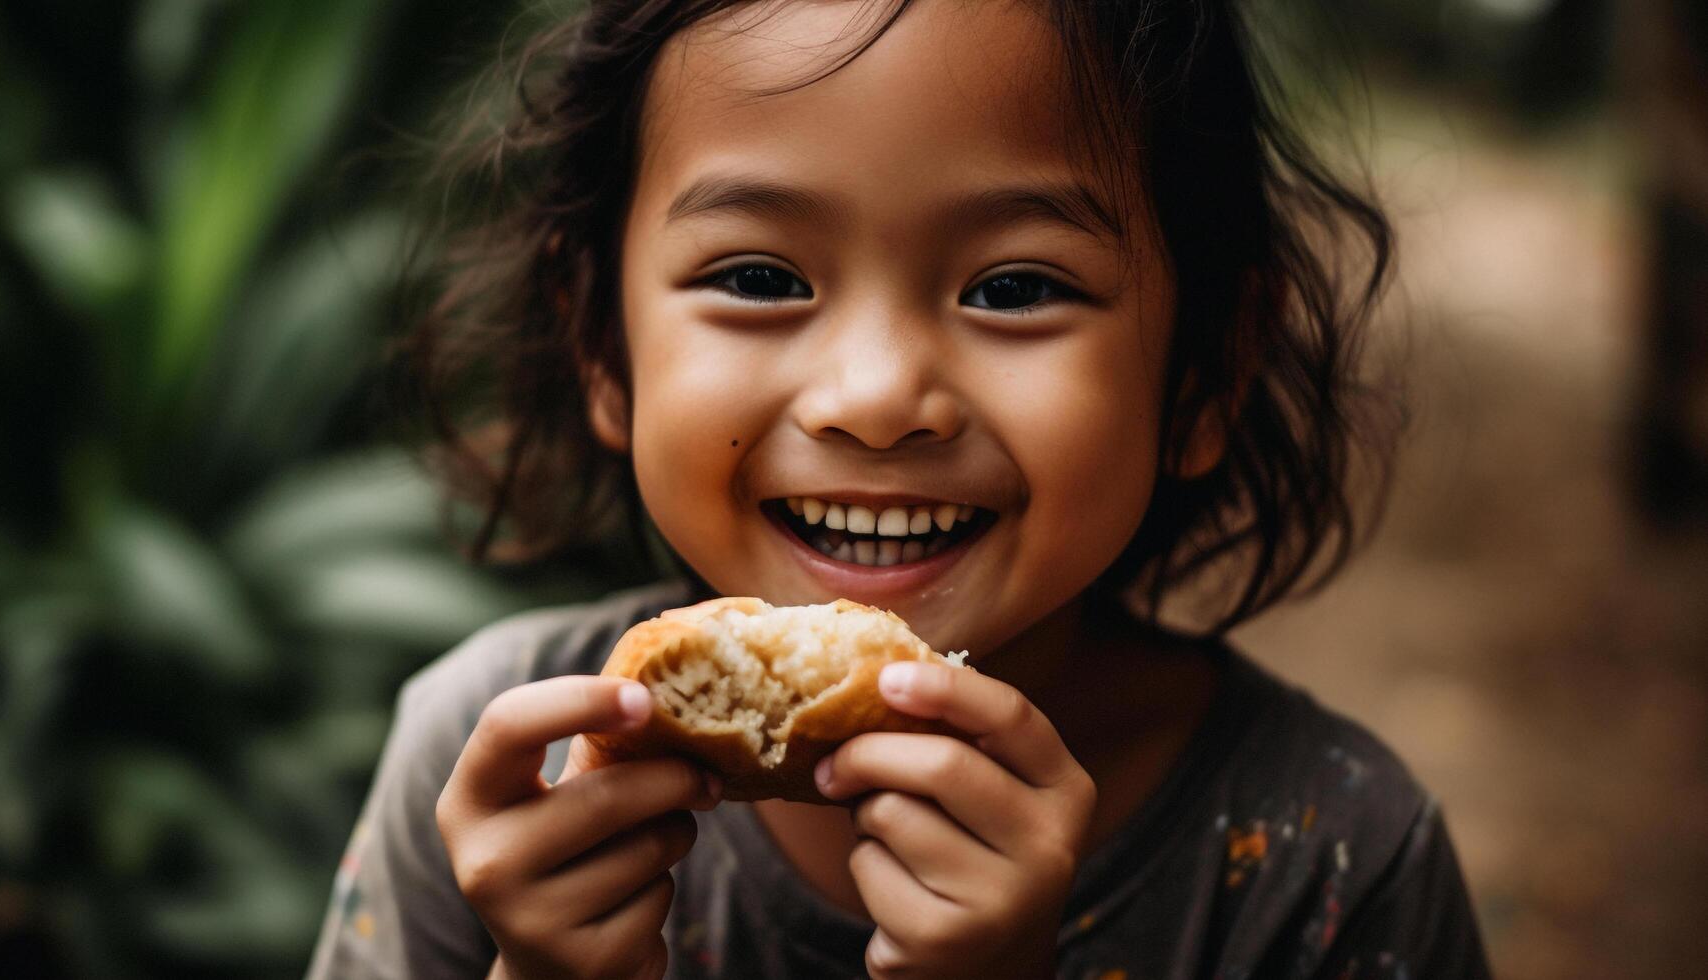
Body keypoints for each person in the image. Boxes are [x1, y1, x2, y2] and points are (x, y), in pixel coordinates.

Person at [309, 1, 1489, 977]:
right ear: (601, 345)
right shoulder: (495, 784)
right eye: (760, 274)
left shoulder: (1330, 865)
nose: (874, 397)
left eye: (1015, 287)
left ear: (1202, 373)